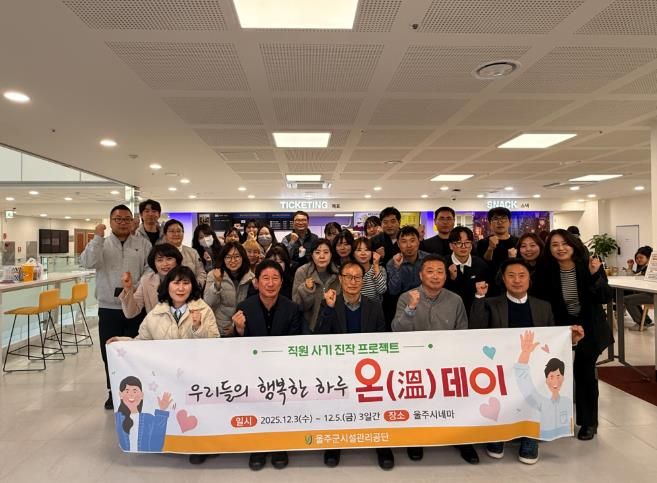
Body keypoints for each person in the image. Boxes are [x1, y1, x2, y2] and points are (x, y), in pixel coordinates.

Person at [469, 258, 584, 464]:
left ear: (529, 280)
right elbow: (476, 330)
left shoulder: (543, 307)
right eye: (511, 276)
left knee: (538, 388)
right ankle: (498, 435)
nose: (517, 280)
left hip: (533, 366)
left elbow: (552, 342)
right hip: (500, 366)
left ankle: (530, 438)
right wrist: (479, 296)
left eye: (522, 276)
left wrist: (571, 340)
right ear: (503, 280)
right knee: (498, 392)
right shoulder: (491, 303)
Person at [391, 254, 477, 465]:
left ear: (446, 276)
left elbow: (463, 332)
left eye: (440, 272)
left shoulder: (455, 300)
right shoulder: (406, 297)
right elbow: (396, 331)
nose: (435, 276)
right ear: (421, 275)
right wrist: (411, 309)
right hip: (414, 362)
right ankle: (416, 439)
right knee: (416, 401)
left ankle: (461, 439)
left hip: (447, 361)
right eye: (430, 271)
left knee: (456, 401)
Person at [313, 261, 393, 470]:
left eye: (357, 277)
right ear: (340, 279)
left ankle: (382, 445)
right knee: (336, 404)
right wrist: (329, 308)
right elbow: (319, 337)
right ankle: (335, 444)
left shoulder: (374, 306)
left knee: (376, 402)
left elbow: (381, 337)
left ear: (363, 280)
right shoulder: (330, 302)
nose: (353, 281)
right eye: (348, 277)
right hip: (338, 368)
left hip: (368, 368)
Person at [534, 229, 612, 441]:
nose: (560, 248)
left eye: (564, 244)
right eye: (554, 245)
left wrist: (596, 274)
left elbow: (605, 297)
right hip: (560, 328)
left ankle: (588, 422)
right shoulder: (546, 270)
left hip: (590, 327)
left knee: (584, 372)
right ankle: (552, 420)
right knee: (554, 373)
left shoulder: (588, 265)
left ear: (573, 245)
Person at [232, 260, 305, 470]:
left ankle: (279, 445)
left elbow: (294, 342)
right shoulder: (244, 307)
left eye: (275, 278)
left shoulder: (292, 308)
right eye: (265, 278)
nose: (270, 283)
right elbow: (236, 349)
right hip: (253, 370)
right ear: (256, 282)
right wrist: (239, 330)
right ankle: (258, 446)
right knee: (256, 407)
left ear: (282, 282)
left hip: (283, 369)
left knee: (280, 407)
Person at [80, 204, 151, 410]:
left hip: (135, 306)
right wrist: (97, 238)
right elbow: (87, 262)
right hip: (109, 308)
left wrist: (135, 287)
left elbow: (149, 269)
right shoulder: (101, 243)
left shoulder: (142, 244)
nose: (122, 223)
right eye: (118, 219)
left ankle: (138, 392)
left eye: (126, 219)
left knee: (135, 351)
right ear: (110, 222)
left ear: (132, 222)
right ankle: (114, 392)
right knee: (109, 352)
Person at [109, 266, 218, 342]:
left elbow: (215, 344)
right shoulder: (155, 313)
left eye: (186, 283)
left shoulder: (204, 310)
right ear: (167, 286)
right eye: (176, 283)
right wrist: (121, 342)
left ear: (192, 286)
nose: (181, 288)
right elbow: (142, 342)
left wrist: (198, 328)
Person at [204, 242, 254, 336]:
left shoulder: (250, 278)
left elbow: (251, 307)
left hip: (242, 328)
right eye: (228, 257)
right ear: (223, 259)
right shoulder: (213, 274)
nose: (233, 260)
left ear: (243, 258)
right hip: (219, 328)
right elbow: (208, 303)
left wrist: (235, 327)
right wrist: (217, 283)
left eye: (237, 256)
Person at [120, 243, 182, 318]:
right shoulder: (146, 280)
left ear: (177, 261)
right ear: (154, 263)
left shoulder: (186, 279)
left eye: (169, 259)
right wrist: (128, 289)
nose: (165, 264)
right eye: (160, 260)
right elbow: (130, 313)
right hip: (156, 324)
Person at [292, 238, 340, 332]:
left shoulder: (339, 273)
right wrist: (306, 289)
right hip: (307, 325)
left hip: (334, 324)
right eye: (317, 252)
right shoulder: (302, 272)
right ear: (312, 255)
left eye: (326, 252)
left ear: (331, 254)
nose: (322, 256)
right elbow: (297, 306)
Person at [114, 376, 172, 452]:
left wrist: (162, 411)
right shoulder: (118, 417)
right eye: (127, 391)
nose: (131, 395)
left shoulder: (148, 419)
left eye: (135, 391)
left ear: (142, 395)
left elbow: (157, 443)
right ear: (121, 395)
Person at [445, 226, 490, 315]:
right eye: (459, 243)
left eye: (467, 243)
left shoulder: (480, 264)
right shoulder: (443, 264)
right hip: (449, 311)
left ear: (471, 245)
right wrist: (452, 279)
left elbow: (487, 292)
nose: (464, 247)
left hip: (474, 311)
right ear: (451, 246)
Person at [476, 207, 518, 295]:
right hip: (490, 288)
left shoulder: (518, 242)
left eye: (503, 218)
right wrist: (490, 248)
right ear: (490, 223)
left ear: (510, 222)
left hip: (513, 286)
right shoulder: (482, 243)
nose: (500, 222)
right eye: (495, 219)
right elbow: (483, 265)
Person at [162, 219, 206, 287]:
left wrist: (195, 287)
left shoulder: (192, 252)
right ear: (165, 235)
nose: (176, 234)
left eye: (179, 231)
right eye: (172, 231)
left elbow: (201, 273)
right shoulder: (160, 253)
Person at [386, 226, 428, 296]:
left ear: (418, 241)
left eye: (412, 240)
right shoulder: (392, 263)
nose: (409, 245)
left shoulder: (428, 259)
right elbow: (393, 291)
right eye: (404, 241)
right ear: (398, 244)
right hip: (402, 299)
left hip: (426, 298)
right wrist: (397, 267)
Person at [625, 245, 654, 329]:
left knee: (627, 299)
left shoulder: (651, 269)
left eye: (641, 257)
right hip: (648, 293)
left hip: (653, 295)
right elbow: (633, 278)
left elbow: (635, 278)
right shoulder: (642, 268)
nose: (638, 260)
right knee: (629, 295)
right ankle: (645, 321)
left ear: (648, 258)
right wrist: (630, 267)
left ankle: (641, 323)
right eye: (637, 258)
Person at [352, 237, 386, 303]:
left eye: (367, 250)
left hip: (375, 307)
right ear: (353, 254)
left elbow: (382, 290)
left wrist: (376, 266)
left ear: (372, 253)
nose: (363, 253)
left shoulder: (380, 269)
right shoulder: (349, 271)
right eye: (359, 250)